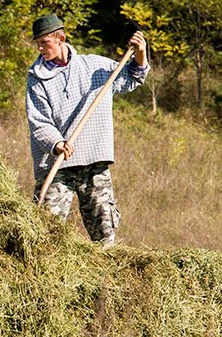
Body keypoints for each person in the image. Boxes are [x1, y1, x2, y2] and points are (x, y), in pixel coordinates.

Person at [26, 13, 149, 246]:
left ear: (61, 39)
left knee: (105, 234)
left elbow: (132, 77)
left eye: (45, 42)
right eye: (38, 43)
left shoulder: (95, 66)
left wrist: (140, 54)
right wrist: (57, 143)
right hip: (56, 165)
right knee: (44, 233)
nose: (40, 48)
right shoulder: (37, 78)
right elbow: (38, 121)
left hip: (94, 162)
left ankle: (107, 267)